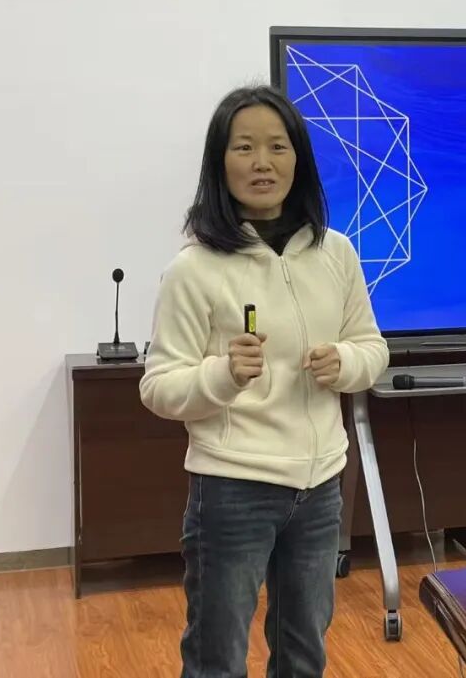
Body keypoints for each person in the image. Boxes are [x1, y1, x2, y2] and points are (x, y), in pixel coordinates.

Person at [140, 85, 389, 677]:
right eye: (244, 147)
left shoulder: (336, 253)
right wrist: (223, 375)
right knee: (217, 658)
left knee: (303, 654)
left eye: (278, 147)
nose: (262, 163)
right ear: (219, 162)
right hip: (233, 487)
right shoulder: (194, 268)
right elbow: (159, 387)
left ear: (298, 159)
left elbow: (372, 348)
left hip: (320, 484)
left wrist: (345, 363)